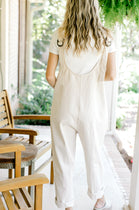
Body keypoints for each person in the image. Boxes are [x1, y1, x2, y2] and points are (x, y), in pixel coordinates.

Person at [46, 0, 116, 209]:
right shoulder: (106, 37)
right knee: (93, 152)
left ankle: (67, 205)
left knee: (62, 156)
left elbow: (50, 76)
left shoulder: (60, 35)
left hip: (64, 104)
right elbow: (111, 74)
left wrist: (65, 89)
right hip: (92, 106)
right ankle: (99, 199)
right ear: (94, 7)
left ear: (70, 7)